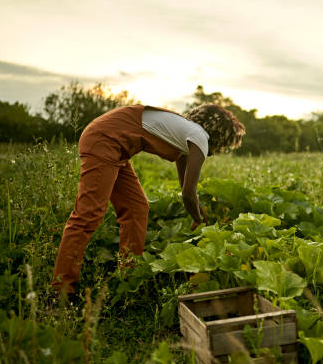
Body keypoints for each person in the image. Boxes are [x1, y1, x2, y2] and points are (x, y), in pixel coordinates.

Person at [52, 104, 245, 296]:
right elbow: (188, 193)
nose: (218, 151)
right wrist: (198, 219)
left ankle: (128, 276)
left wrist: (196, 209)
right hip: (105, 141)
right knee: (88, 215)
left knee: (136, 208)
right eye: (224, 146)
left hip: (115, 147)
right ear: (221, 136)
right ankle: (60, 291)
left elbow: (185, 186)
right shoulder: (200, 137)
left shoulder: (186, 133)